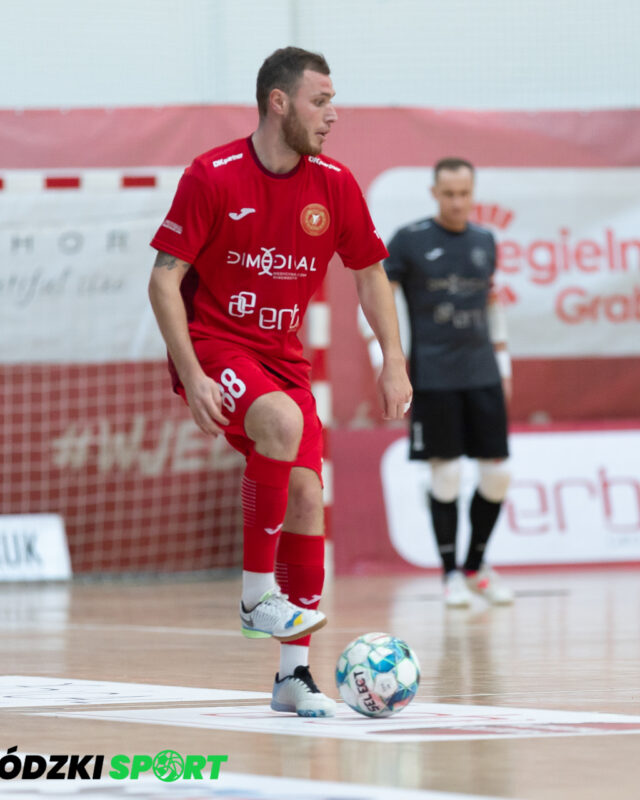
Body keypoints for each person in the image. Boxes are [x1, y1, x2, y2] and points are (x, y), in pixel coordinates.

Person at [148, 47, 411, 717]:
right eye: (321, 100)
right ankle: (254, 593)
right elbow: (163, 278)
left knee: (304, 493)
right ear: (279, 102)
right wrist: (192, 371)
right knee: (284, 424)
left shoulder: (335, 183)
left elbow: (370, 271)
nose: (333, 113)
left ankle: (293, 678)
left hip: (281, 360)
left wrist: (394, 359)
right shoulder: (213, 176)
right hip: (217, 346)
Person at [376, 157, 514, 608]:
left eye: (464, 193)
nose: (457, 201)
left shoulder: (484, 241)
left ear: (473, 193)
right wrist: (385, 357)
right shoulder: (410, 241)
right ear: (435, 193)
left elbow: (492, 305)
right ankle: (450, 573)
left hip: (482, 373)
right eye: (449, 193)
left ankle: (477, 566)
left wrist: (504, 363)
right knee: (447, 474)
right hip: (434, 375)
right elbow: (378, 294)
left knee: (498, 474)